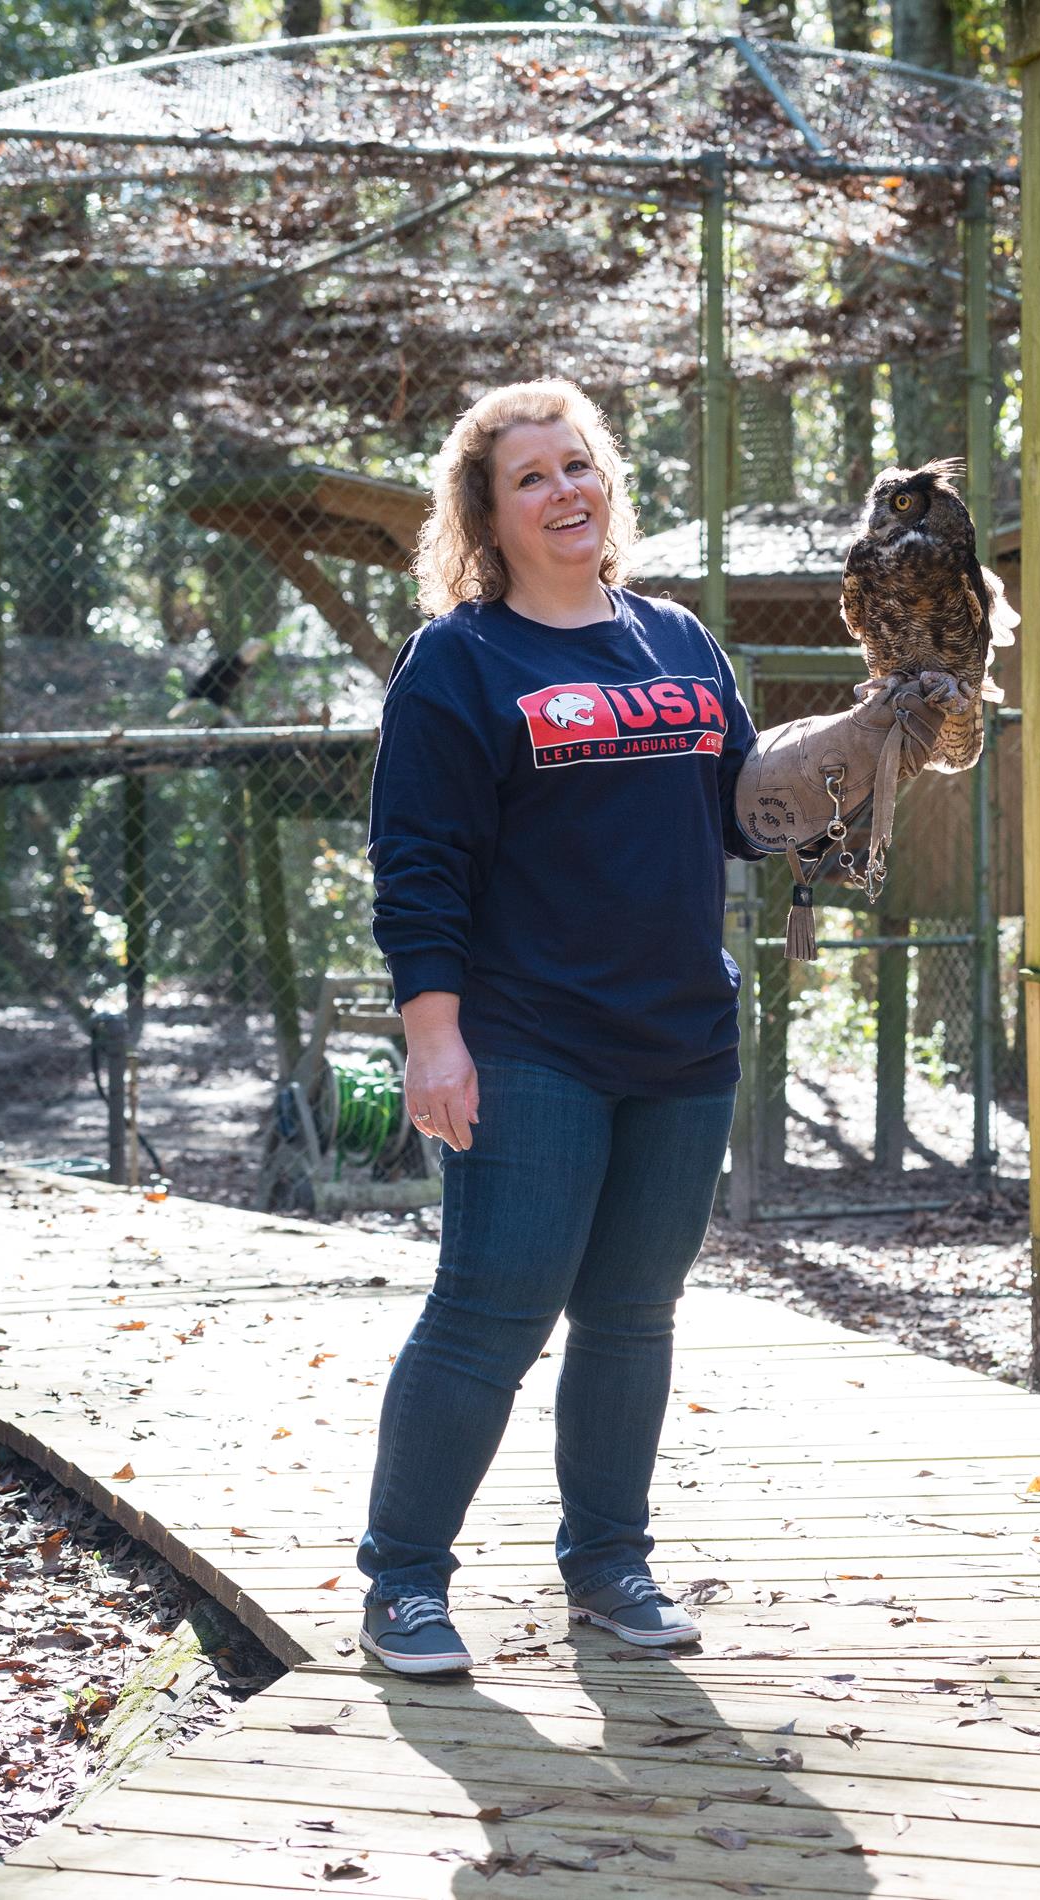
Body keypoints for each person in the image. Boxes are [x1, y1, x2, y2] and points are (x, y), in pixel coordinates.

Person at [356, 379, 763, 1675]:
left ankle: (608, 1568)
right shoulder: (462, 661)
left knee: (633, 1314)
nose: (563, 491)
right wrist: (434, 1034)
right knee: (489, 1310)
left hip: (682, 1040)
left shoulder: (678, 644)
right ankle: (404, 1585)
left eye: (576, 464)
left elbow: (749, 811)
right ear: (484, 512)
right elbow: (416, 861)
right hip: (528, 1040)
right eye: (528, 475)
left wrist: (865, 748)